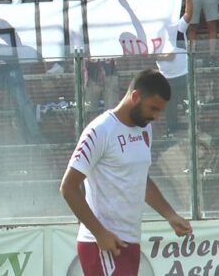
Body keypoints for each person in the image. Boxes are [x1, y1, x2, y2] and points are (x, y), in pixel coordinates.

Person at [60, 69, 192, 275]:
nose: (156, 116)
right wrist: (100, 234)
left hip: (130, 242)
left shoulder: (144, 129)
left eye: (160, 111)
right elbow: (68, 187)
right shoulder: (100, 130)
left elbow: (140, 179)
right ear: (136, 97)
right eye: (153, 108)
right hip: (102, 245)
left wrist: (170, 215)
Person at [155, 0, 193, 136]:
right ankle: (172, 129)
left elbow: (188, 14)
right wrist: (165, 57)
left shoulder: (178, 26)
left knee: (187, 103)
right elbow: (151, 53)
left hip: (183, 74)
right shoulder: (153, 33)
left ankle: (191, 128)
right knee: (169, 106)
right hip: (166, 77)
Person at [46, 0, 83, 74]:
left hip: (76, 1)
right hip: (59, 3)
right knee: (60, 34)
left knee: (76, 33)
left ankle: (75, 63)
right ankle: (60, 64)